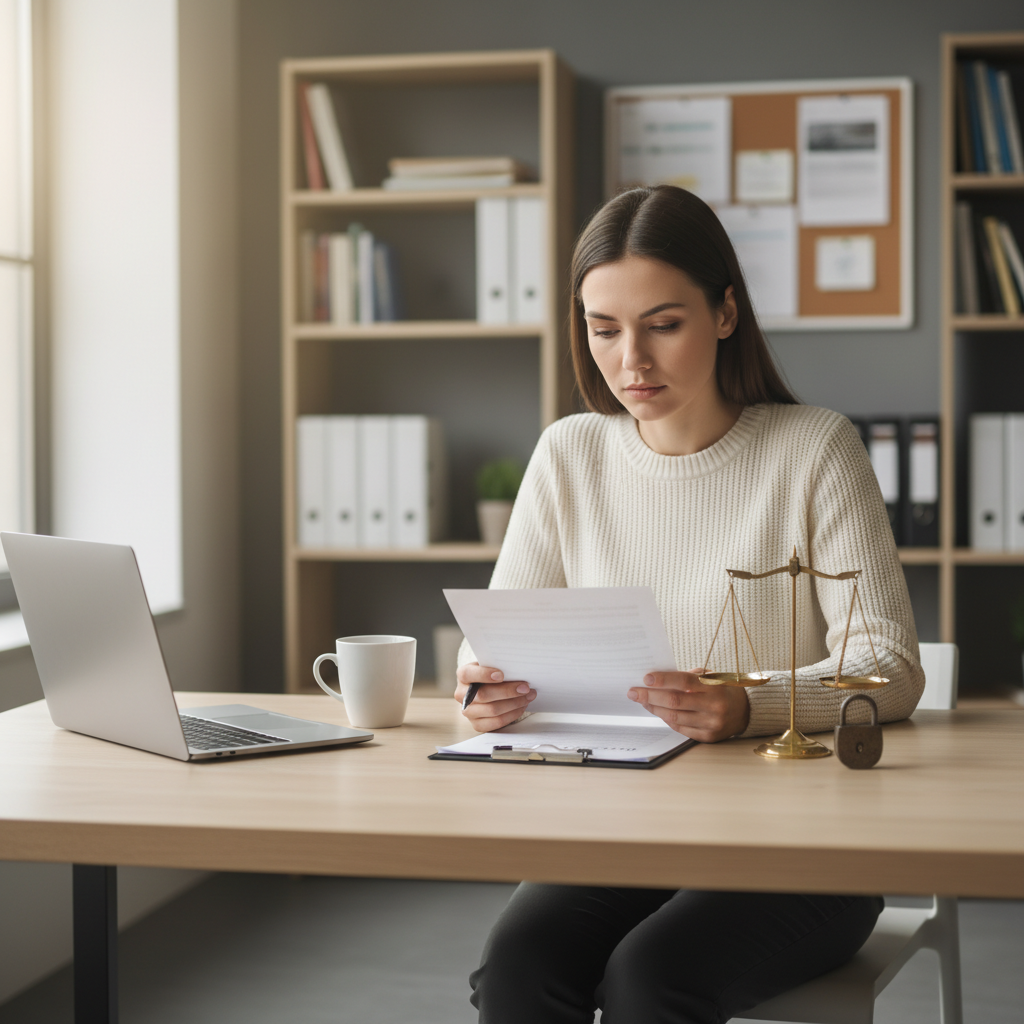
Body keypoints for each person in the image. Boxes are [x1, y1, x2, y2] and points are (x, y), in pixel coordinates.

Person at [454, 185, 924, 1024]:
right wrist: (485, 687)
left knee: (650, 979)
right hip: (618, 836)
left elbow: (889, 669)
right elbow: (495, 640)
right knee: (518, 971)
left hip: (806, 849)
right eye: (604, 330)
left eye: (662, 324)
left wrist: (744, 704)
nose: (631, 361)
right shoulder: (568, 454)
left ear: (725, 313)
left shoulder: (815, 447)